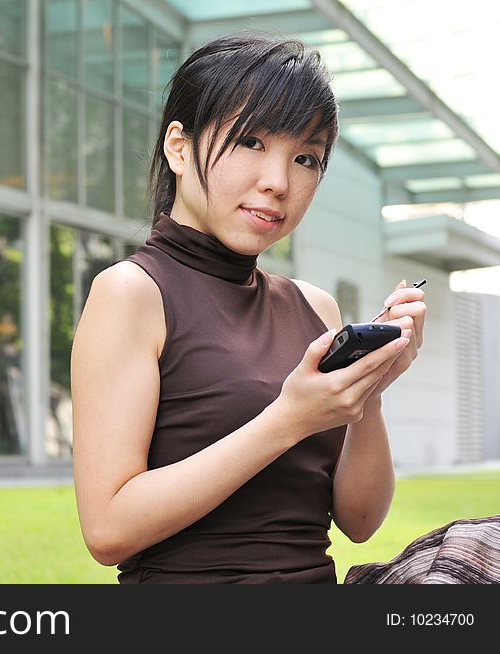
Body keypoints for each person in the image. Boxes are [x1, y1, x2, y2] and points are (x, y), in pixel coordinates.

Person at [70, 33, 427, 584]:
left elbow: (358, 521)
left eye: (306, 158)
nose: (279, 183)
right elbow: (108, 530)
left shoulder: (315, 307)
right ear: (179, 148)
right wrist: (287, 420)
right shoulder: (132, 292)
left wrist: (368, 393)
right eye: (251, 142)